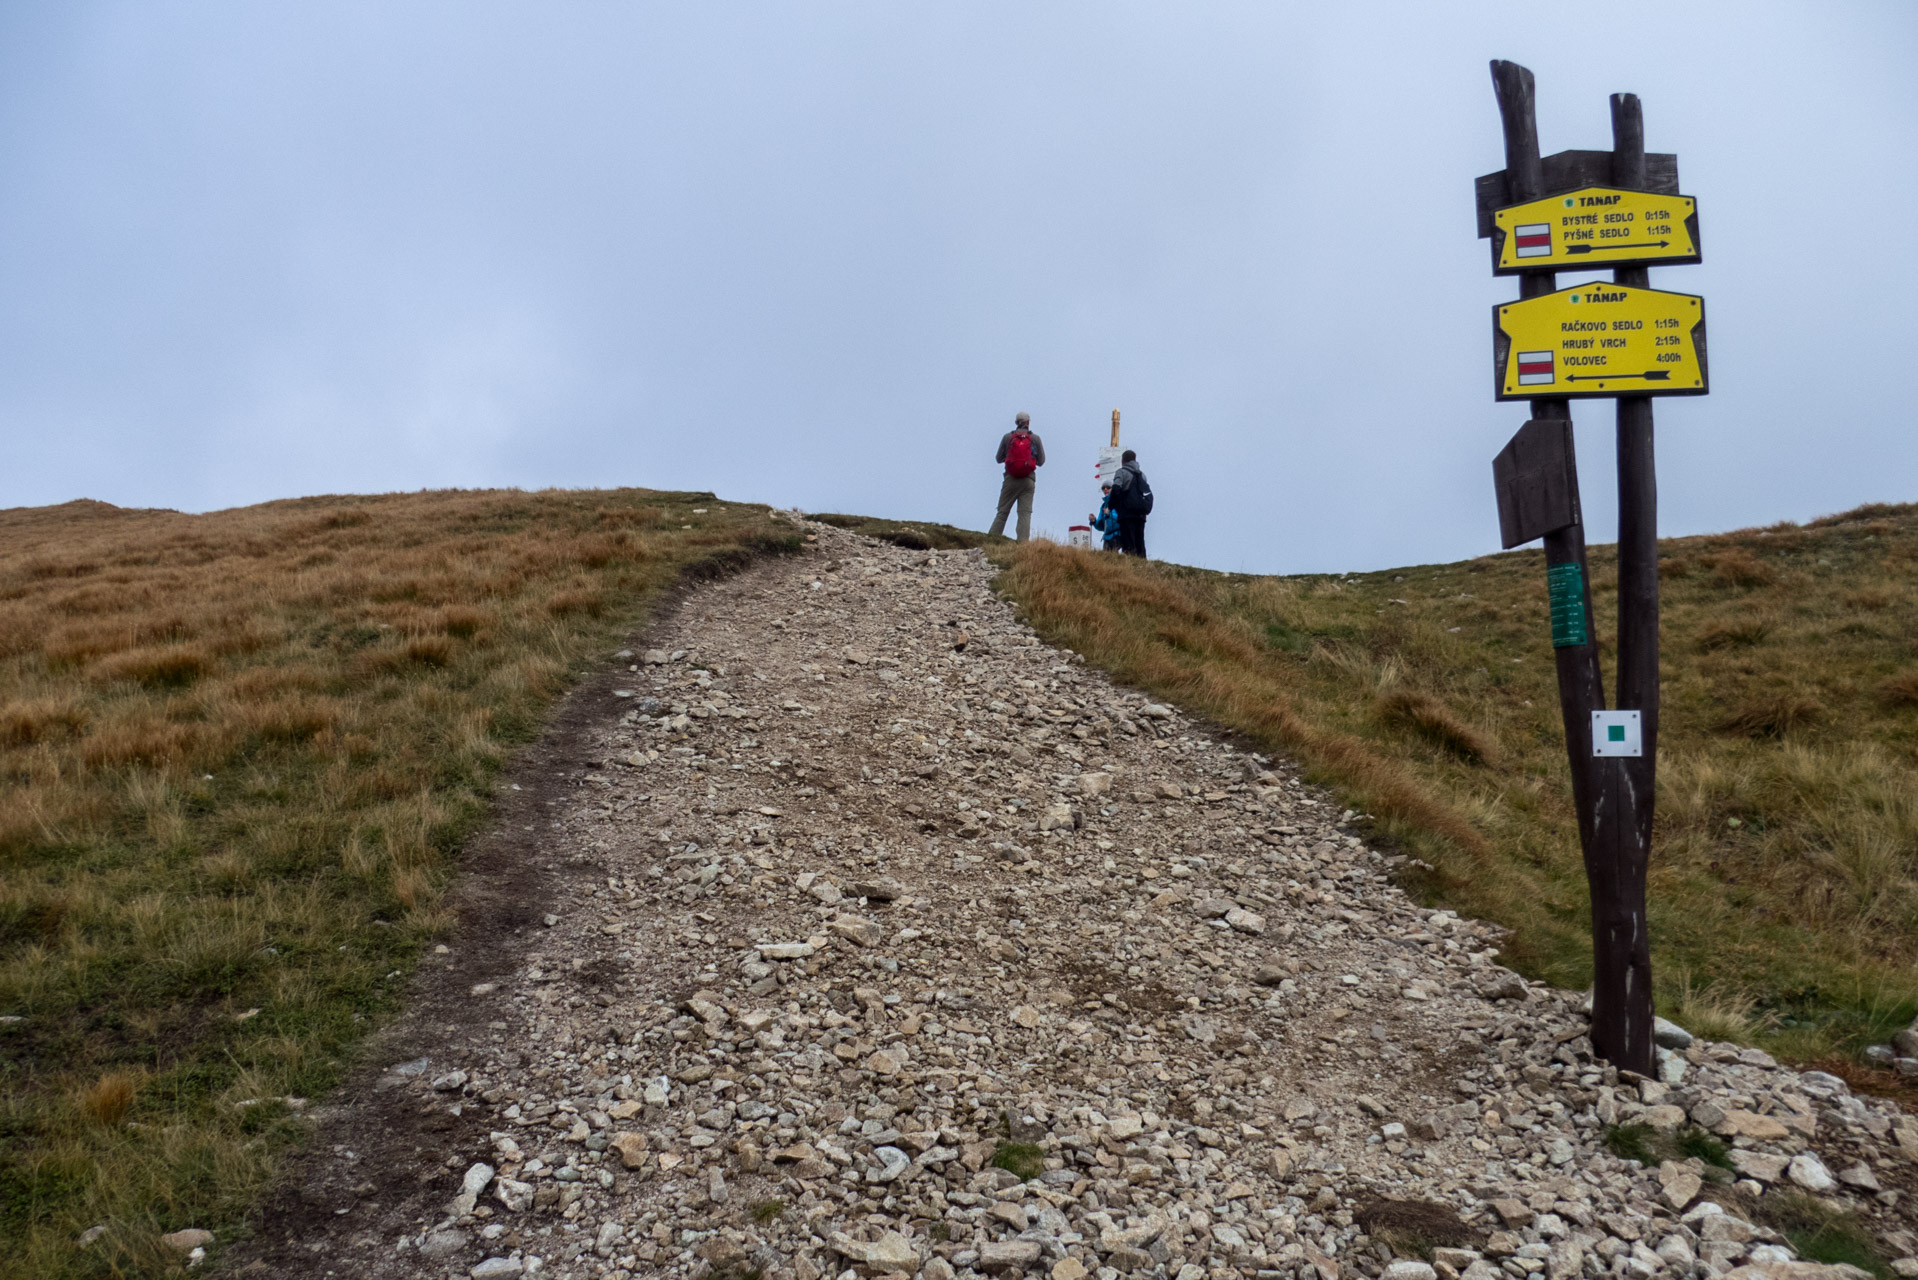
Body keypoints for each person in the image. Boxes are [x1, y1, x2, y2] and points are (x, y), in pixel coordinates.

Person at [987, 412, 1045, 542]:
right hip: (1028, 480)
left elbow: (998, 458)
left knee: (1002, 512)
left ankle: (991, 541)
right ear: (1028, 422)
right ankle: (1023, 544)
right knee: (1024, 513)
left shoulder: (1007, 437)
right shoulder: (1035, 439)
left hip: (1010, 479)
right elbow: (1041, 461)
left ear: (1016, 422)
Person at [1109, 449, 1152, 559]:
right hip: (1141, 514)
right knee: (1140, 542)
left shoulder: (1121, 472)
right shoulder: (1142, 475)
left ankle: (1130, 566)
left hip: (1126, 513)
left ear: (1123, 460)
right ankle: (1142, 566)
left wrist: (1111, 506)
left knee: (1128, 542)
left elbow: (1116, 489)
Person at [1089, 485, 1121, 551]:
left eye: (1108, 487)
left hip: (1117, 534)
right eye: (1103, 488)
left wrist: (1109, 514)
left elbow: (1121, 518)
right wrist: (1094, 521)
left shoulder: (1118, 502)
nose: (1105, 489)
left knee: (1113, 558)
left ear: (1113, 489)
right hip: (1106, 537)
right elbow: (1101, 526)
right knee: (1107, 558)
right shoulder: (1103, 506)